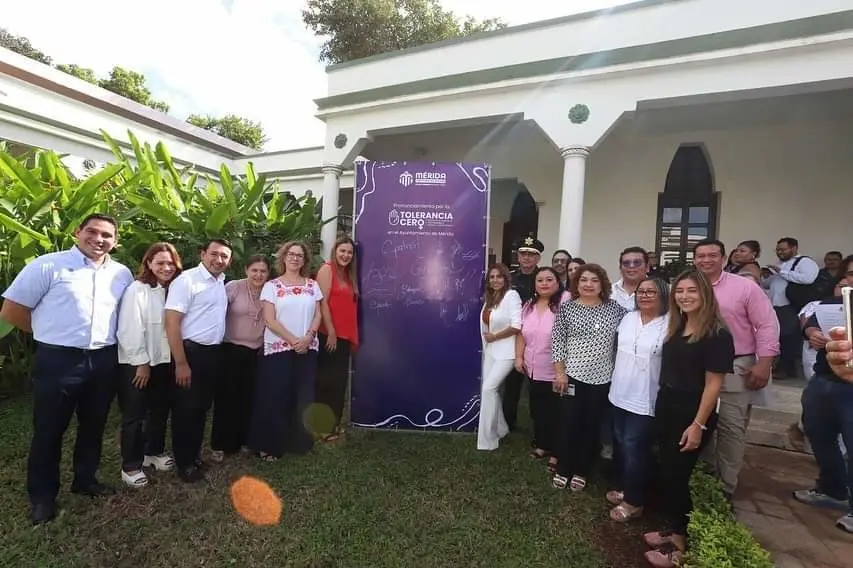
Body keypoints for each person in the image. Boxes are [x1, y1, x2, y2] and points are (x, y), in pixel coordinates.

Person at [0, 214, 134, 525]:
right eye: (92, 232)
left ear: (115, 241)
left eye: (107, 235)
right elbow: (12, 310)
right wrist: (49, 333)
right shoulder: (49, 265)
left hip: (103, 359)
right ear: (78, 232)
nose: (99, 239)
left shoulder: (121, 273)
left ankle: (85, 480)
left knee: (93, 426)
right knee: (49, 430)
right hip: (58, 360)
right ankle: (43, 497)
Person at [643, 270, 734, 568]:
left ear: (705, 293)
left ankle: (680, 545)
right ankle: (673, 527)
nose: (684, 296)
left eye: (692, 290)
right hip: (668, 403)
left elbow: (713, 385)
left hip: (693, 411)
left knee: (678, 476)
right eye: (679, 291)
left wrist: (698, 424)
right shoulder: (678, 326)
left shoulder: (717, 334)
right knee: (667, 472)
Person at [692, 238, 778, 501]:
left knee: (730, 427)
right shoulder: (688, 287)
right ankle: (704, 476)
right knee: (699, 422)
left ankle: (726, 487)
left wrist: (764, 361)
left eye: (712, 255)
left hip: (735, 365)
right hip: (695, 366)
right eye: (700, 256)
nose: (706, 260)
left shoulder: (744, 287)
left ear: (724, 257)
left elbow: (767, 324)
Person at [551, 264, 628, 491]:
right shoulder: (567, 309)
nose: (588, 284)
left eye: (594, 280)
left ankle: (582, 470)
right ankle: (564, 468)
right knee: (568, 424)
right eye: (583, 280)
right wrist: (560, 373)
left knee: (590, 425)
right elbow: (557, 342)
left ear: (602, 284)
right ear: (576, 283)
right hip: (571, 377)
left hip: (602, 379)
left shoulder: (616, 310)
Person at [793, 255, 853, 533]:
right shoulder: (832, 304)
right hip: (824, 379)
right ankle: (833, 489)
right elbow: (808, 321)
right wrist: (812, 331)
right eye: (850, 274)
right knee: (818, 433)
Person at [164, 238, 232, 482]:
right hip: (190, 353)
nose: (219, 260)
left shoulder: (220, 282)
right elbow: (171, 323)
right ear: (203, 254)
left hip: (212, 354)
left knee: (201, 408)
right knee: (185, 409)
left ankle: (193, 456)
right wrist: (181, 363)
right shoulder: (187, 281)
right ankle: (184, 464)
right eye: (214, 254)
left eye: (224, 256)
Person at [248, 241, 323, 461]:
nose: (295, 258)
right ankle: (269, 445)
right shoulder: (272, 286)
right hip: (279, 350)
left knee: (303, 397)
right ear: (284, 257)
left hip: (307, 349)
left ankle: (298, 442)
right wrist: (293, 340)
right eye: (291, 254)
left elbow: (318, 314)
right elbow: (270, 320)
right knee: (274, 397)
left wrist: (308, 337)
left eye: (299, 255)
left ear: (304, 260)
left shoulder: (312, 285)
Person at [116, 242, 182, 488]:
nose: (166, 267)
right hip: (138, 362)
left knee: (159, 410)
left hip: (164, 361)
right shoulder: (138, 289)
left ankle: (152, 452)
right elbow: (129, 329)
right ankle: (131, 465)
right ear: (149, 264)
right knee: (134, 416)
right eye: (160, 262)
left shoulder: (172, 290)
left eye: (170, 263)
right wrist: (141, 362)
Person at [606, 277, 669, 523]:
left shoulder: (669, 323)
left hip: (645, 398)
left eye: (651, 292)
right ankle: (628, 489)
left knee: (635, 449)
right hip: (619, 392)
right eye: (641, 292)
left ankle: (634, 502)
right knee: (623, 445)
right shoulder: (628, 318)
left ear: (663, 295)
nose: (644, 295)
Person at [210, 255, 270, 461]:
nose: (258, 275)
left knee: (248, 399)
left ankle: (243, 440)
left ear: (268, 274)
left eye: (263, 271)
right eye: (254, 270)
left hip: (255, 352)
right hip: (231, 350)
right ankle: (219, 444)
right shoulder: (233, 287)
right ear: (246, 270)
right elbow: (214, 309)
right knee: (226, 399)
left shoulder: (270, 291)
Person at [515, 267, 568, 471]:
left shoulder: (565, 302)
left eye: (549, 279)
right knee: (538, 410)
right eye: (540, 280)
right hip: (532, 367)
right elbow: (521, 333)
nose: (544, 283)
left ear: (557, 282)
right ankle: (543, 444)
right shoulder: (529, 305)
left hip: (555, 369)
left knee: (557, 413)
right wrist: (519, 357)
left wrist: (561, 371)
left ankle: (557, 452)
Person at [315, 236, 359, 443]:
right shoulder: (327, 269)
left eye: (349, 252)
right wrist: (331, 330)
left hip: (344, 336)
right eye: (342, 251)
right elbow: (321, 302)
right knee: (327, 382)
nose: (346, 255)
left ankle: (333, 424)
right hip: (329, 335)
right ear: (335, 251)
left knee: (339, 382)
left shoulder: (348, 274)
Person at [478, 263, 522, 450]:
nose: (495, 280)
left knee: (489, 389)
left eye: (499, 276)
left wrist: (495, 336)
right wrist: (490, 340)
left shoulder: (512, 296)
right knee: (489, 391)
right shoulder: (490, 298)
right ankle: (501, 428)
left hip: (507, 352)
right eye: (492, 277)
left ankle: (488, 440)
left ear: (506, 278)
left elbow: (517, 325)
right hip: (491, 351)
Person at [503, 236, 543, 432]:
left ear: (538, 258)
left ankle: (539, 427)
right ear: (518, 256)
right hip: (513, 337)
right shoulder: (509, 278)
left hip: (537, 338)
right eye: (523, 254)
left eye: (532, 254)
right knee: (512, 383)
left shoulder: (543, 278)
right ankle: (508, 423)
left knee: (537, 386)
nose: (527, 257)